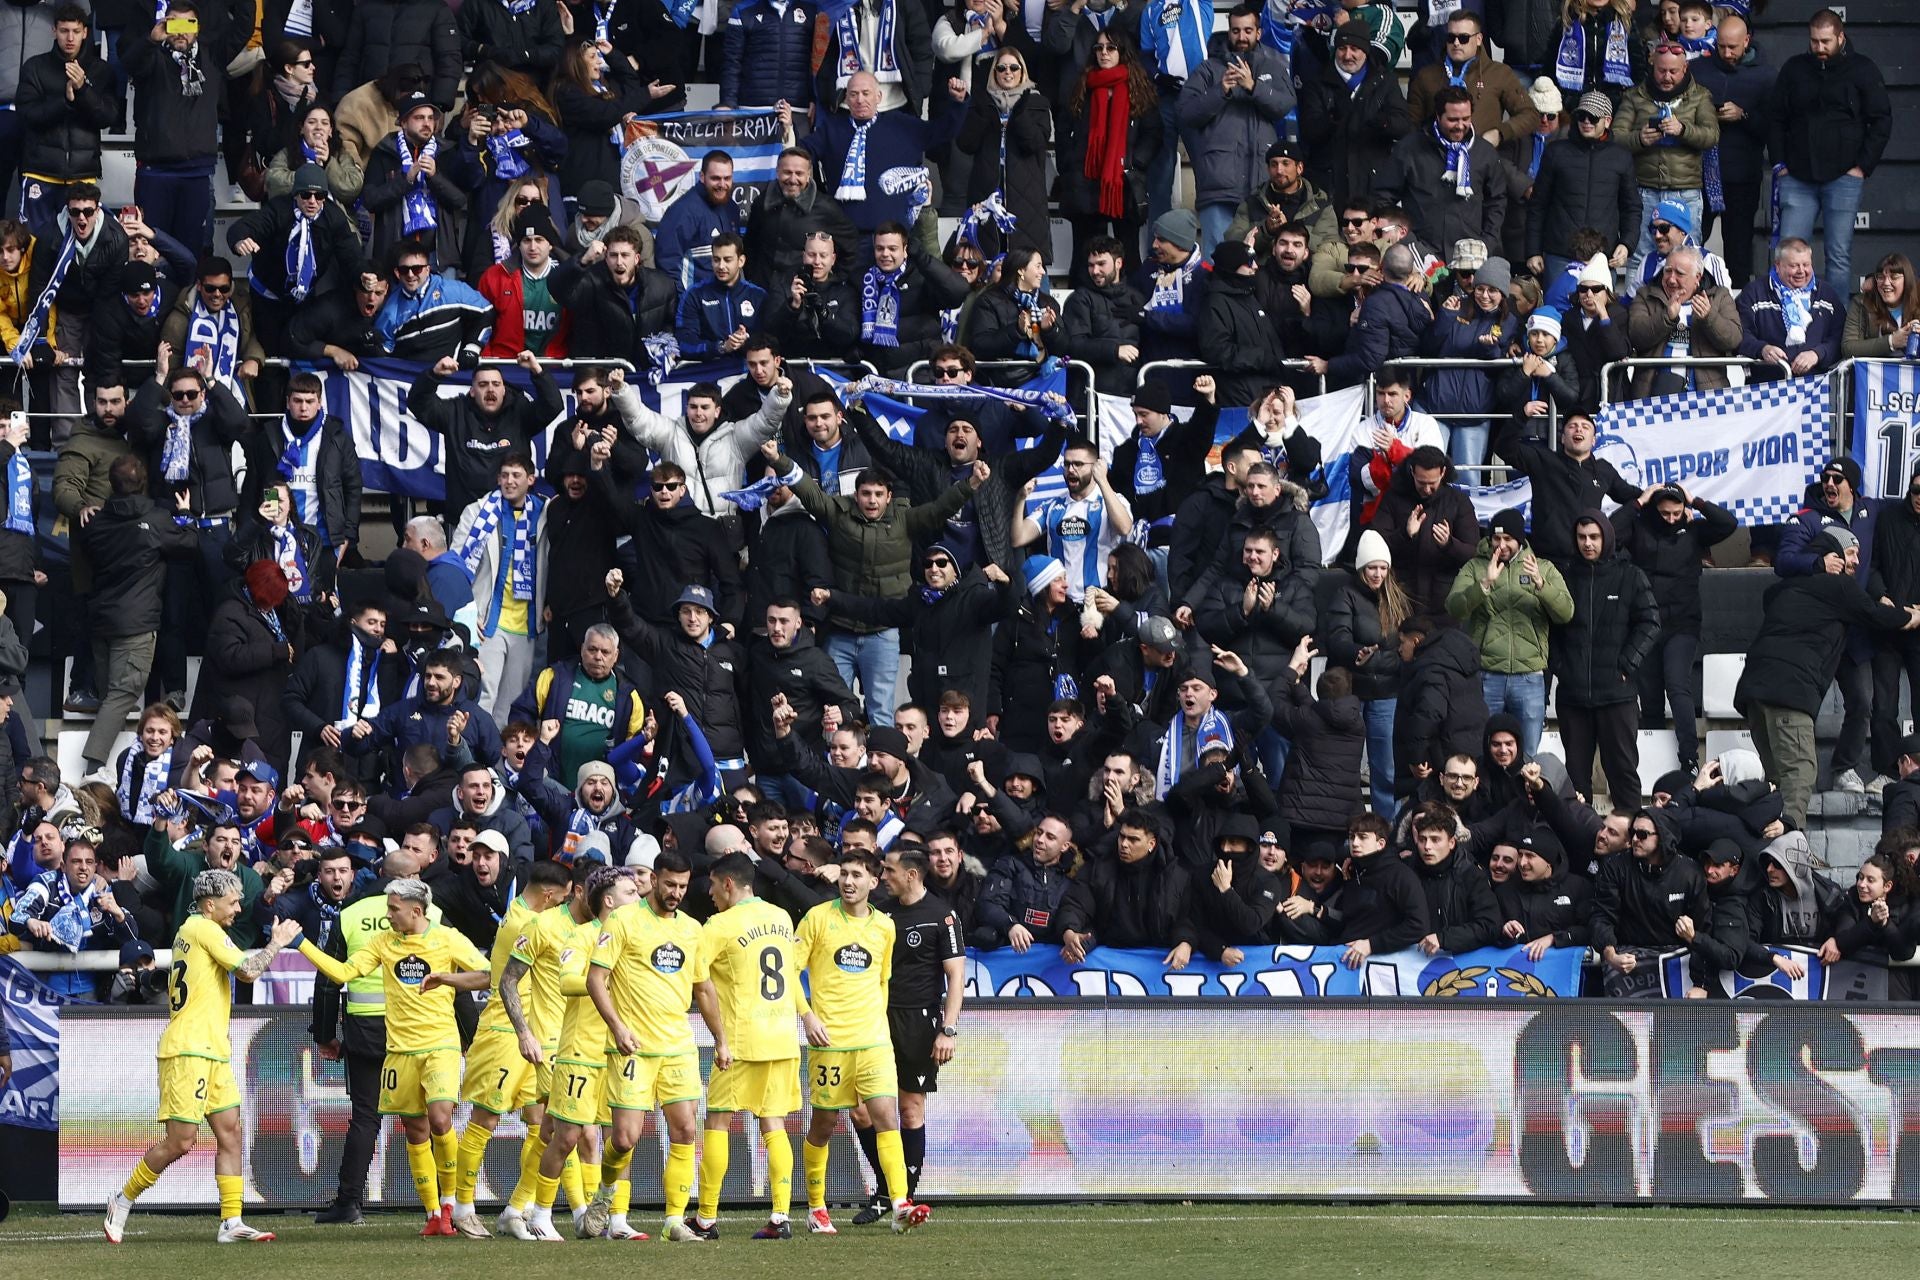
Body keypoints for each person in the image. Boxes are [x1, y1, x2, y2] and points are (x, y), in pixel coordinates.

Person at [103, 872, 303, 1244]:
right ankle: (122, 1197)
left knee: (231, 1133)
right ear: (210, 904)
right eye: (233, 902)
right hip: (188, 1049)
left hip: (212, 1050)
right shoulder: (203, 929)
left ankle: (231, 1222)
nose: (239, 908)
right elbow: (247, 970)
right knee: (180, 1141)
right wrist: (276, 943)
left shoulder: (193, 929)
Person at [296, 876, 492, 1235]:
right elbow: (342, 972)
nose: (388, 916)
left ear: (416, 910)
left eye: (393, 909)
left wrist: (447, 979)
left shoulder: (446, 938)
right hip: (399, 1052)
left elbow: (486, 974)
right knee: (415, 1129)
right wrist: (301, 944)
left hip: (440, 1046)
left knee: (440, 1118)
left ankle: (453, 1206)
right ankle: (434, 1215)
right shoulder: (383, 943)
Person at [579, 849, 721, 1244]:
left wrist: (721, 1040)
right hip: (632, 1048)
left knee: (687, 1129)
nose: (676, 892)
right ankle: (606, 1195)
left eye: (682, 886)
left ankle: (674, 1220)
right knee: (624, 1138)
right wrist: (618, 1027)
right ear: (653, 880)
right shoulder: (624, 920)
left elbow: (704, 988)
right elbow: (595, 979)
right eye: (669, 884)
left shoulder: (692, 929)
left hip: (678, 1046)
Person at [1738, 527, 1920, 829]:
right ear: (1830, 555)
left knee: (1778, 781)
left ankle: (1770, 847)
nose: (1857, 561)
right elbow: (1874, 613)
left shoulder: (1784, 590)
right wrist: (1911, 616)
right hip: (1788, 693)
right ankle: (1790, 849)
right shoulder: (1837, 588)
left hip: (1753, 695)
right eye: (1851, 553)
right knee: (1800, 773)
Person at [795, 848, 929, 1234]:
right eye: (845, 874)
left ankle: (900, 1203)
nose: (849, 882)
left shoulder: (885, 927)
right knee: (823, 1125)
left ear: (874, 881)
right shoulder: (818, 918)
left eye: (857, 875)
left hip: (872, 1041)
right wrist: (807, 1015)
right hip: (830, 1043)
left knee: (888, 1118)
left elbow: (882, 981)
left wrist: (878, 1027)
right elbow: (789, 970)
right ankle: (817, 1208)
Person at [443, 858, 572, 1238]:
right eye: (561, 900)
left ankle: (517, 1207)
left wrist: (451, 978)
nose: (562, 908)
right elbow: (504, 981)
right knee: (485, 1120)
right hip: (504, 1034)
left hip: (535, 1034)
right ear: (549, 896)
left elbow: (490, 973)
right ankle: (463, 1207)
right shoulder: (525, 923)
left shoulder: (518, 915)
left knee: (542, 1124)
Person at [839, 845, 964, 1223]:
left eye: (890, 871)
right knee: (861, 1109)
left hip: (918, 1021)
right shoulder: (880, 912)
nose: (884, 877)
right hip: (872, 1018)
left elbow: (956, 976)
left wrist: (948, 1029)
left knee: (909, 1109)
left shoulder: (941, 916)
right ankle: (886, 1188)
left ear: (911, 874)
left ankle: (901, 1198)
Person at [1611, 484, 1737, 775]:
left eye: (1677, 513)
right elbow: (1611, 533)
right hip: (1645, 624)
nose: (1670, 519)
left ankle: (1689, 758)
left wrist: (1697, 501)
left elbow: (1728, 524)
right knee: (1650, 695)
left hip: (1682, 623)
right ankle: (1654, 761)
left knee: (1677, 684)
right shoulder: (1640, 528)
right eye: (1665, 513)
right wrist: (1639, 502)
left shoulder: (1694, 530)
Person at [1766, 8, 1890, 292]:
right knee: (1788, 255)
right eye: (1814, 41)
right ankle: (1784, 325)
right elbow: (1775, 118)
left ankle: (1836, 331)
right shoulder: (1794, 68)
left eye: (1826, 41)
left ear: (1840, 37)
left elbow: (1882, 119)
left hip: (1844, 178)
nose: (1819, 48)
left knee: (1838, 257)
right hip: (1797, 176)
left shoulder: (1863, 69)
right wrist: (1779, 164)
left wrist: (1862, 167)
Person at [1778, 457, 1880, 792]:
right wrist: (1816, 562)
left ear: (1853, 484)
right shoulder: (1806, 518)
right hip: (1817, 633)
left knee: (1863, 702)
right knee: (1802, 703)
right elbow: (1783, 561)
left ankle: (1844, 769)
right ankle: (1788, 774)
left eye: (1838, 478)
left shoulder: (1873, 512)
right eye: (1826, 478)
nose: (1830, 484)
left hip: (1855, 632)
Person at [1175, 4, 1293, 257]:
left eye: (1248, 30)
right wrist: (1222, 90)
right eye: (1236, 31)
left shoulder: (1272, 67)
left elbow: (1284, 105)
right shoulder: (1208, 69)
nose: (1242, 37)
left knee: (1259, 261)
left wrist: (1253, 87)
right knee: (1217, 261)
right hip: (1219, 185)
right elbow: (1186, 113)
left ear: (1259, 33)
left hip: (1262, 187)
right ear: (1228, 32)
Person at [1057, 37, 1162, 279]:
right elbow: (1063, 129)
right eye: (1099, 48)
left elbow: (1154, 131)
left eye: (1111, 47)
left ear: (1122, 52)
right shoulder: (1082, 87)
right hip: (1086, 181)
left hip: (1123, 183)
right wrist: (1070, 162)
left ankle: (1130, 306)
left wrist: (1136, 162)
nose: (1104, 53)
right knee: (1085, 254)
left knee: (1128, 253)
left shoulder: (1139, 89)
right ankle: (1083, 309)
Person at [1375, 87, 1508, 266]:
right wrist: (1409, 241)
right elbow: (1383, 198)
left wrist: (1487, 243)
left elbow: (1496, 202)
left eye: (1466, 119)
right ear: (1438, 116)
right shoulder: (1409, 149)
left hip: (1471, 256)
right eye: (1453, 119)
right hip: (1421, 255)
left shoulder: (1485, 152)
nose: (1460, 125)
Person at [1691, 14, 1774, 289]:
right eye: (1721, 46)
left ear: (1747, 41)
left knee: (1738, 250)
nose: (1726, 53)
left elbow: (1773, 128)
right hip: (1699, 173)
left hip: (1742, 175)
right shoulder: (1698, 70)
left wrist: (1744, 115)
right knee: (1690, 245)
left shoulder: (1765, 76)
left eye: (1733, 47)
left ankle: (1738, 314)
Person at [1297, 21, 1412, 214]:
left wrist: (1381, 122)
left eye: (1354, 48)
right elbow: (1309, 132)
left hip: (1372, 184)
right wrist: (1333, 118)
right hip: (1329, 184)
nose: (1347, 55)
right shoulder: (1317, 83)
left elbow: (1404, 126)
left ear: (1366, 51)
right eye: (1342, 48)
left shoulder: (1385, 81)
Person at [1525, 91, 1638, 279]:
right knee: (1556, 308)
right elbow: (1538, 204)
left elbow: (1632, 207)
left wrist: (1627, 244)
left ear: (1607, 121)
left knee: (1599, 309)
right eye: (1581, 116)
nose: (1586, 121)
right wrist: (1533, 250)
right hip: (1559, 254)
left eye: (1593, 117)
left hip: (1602, 257)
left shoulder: (1622, 156)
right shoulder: (1555, 152)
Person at [1013, 437, 1133, 605]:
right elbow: (1019, 538)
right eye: (1067, 464)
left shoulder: (1112, 501)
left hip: (1099, 600)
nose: (1071, 469)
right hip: (1062, 602)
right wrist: (1020, 499)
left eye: (1078, 464)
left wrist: (1103, 481)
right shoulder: (1053, 505)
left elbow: (1124, 528)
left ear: (1096, 467)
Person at [956, 48, 1051, 258]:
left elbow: (1035, 144)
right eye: (1001, 68)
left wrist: (1020, 114)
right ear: (995, 73)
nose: (1008, 72)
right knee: (985, 258)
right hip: (986, 189)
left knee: (1027, 260)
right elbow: (966, 144)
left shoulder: (1036, 102)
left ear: (1022, 71)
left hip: (1026, 193)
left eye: (1013, 67)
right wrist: (982, 113)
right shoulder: (982, 102)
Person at [1625, 245, 1743, 398]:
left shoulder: (1719, 296)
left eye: (1679, 274)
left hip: (1707, 394)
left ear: (1697, 278)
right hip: (1654, 392)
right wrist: (1666, 317)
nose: (1671, 279)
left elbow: (1734, 339)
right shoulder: (1646, 295)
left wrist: (1710, 318)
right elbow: (1635, 336)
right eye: (1667, 271)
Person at [1735, 237, 1844, 381]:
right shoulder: (1754, 292)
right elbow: (1738, 334)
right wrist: (1762, 349)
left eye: (1806, 265)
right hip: (1765, 388)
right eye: (1794, 266)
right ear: (1778, 266)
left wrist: (1817, 354)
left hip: (1815, 389)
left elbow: (1840, 337)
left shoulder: (1826, 294)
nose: (1801, 271)